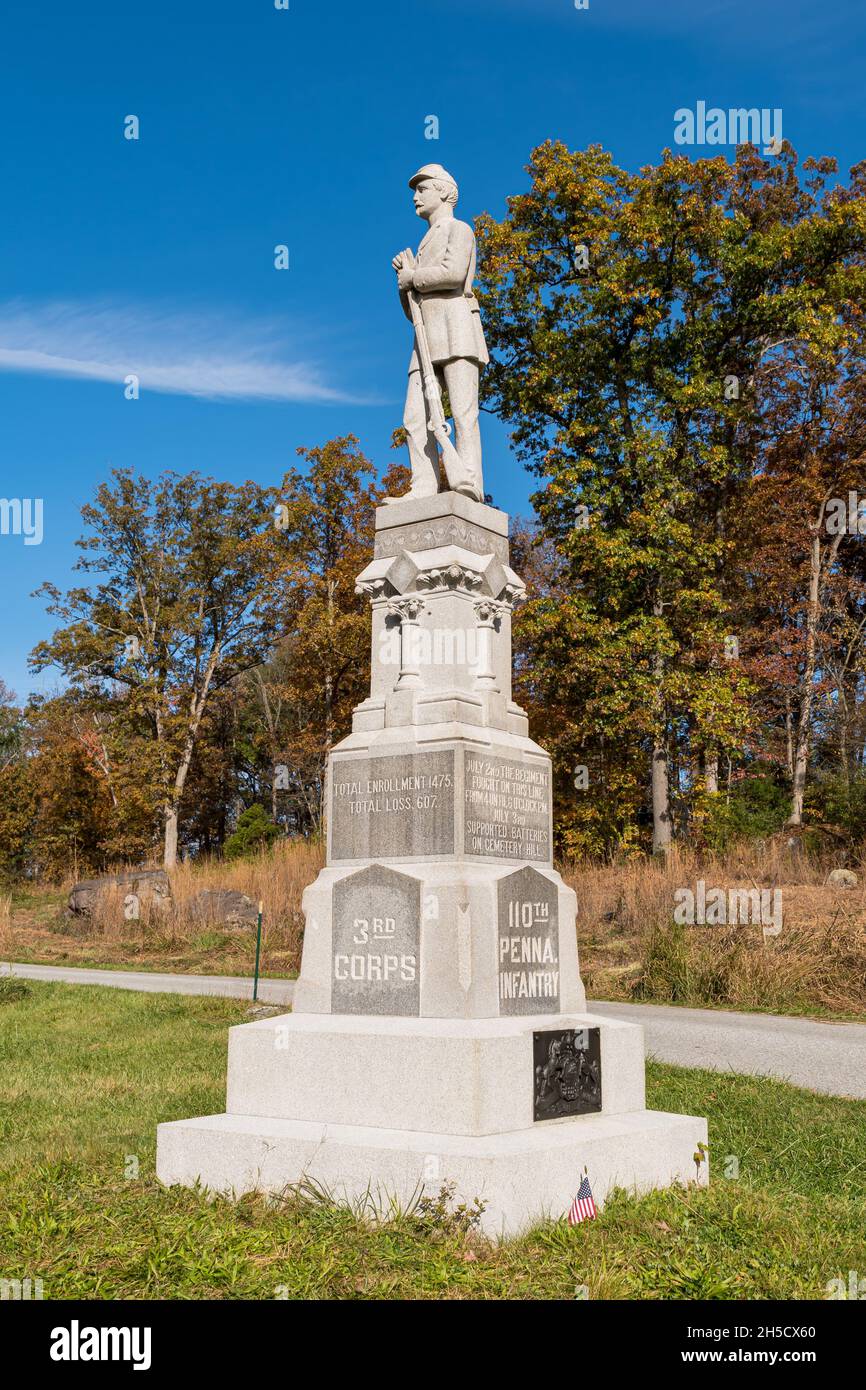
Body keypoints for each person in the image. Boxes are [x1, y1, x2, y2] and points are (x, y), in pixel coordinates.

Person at [389, 164, 489, 502]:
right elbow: (412, 310)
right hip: (424, 337)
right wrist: (405, 285)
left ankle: (469, 482)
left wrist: (413, 277)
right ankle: (423, 486)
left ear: (444, 191)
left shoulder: (459, 230)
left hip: (457, 328)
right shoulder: (422, 243)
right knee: (414, 418)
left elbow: (453, 273)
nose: (416, 197)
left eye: (423, 189)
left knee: (463, 413)